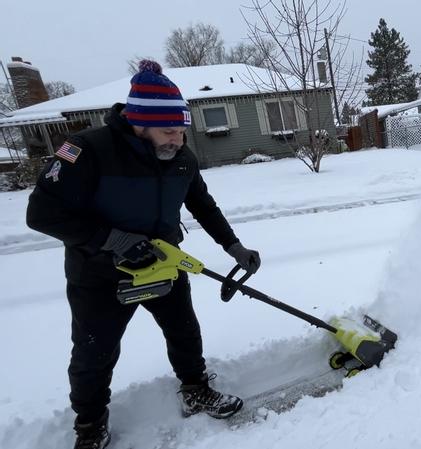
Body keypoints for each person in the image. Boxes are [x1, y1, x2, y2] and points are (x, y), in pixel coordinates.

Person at [26, 60, 261, 449]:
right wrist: (114, 240)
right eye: (169, 131)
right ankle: (90, 425)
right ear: (139, 124)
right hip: (100, 273)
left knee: (185, 334)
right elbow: (42, 214)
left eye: (182, 132)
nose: (178, 140)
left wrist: (232, 246)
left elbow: (202, 203)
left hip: (163, 264)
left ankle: (195, 389)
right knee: (94, 354)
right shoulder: (86, 150)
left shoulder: (181, 157)